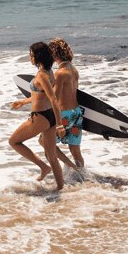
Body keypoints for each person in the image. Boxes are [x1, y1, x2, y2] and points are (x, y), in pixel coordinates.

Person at [9, 42, 76, 190]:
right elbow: (40, 95)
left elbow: (53, 99)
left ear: (37, 57)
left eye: (31, 54)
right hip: (48, 116)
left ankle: (42, 166)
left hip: (41, 117)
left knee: (14, 142)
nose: (30, 57)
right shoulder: (48, 72)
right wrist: (23, 101)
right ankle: (60, 188)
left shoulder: (42, 75)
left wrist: (60, 125)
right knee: (51, 154)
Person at [48, 38, 85, 169]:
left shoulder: (60, 73)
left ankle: (70, 166)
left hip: (63, 115)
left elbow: (55, 98)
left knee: (45, 143)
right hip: (76, 113)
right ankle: (82, 173)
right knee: (75, 150)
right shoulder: (73, 70)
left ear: (54, 54)